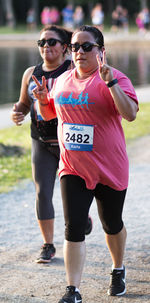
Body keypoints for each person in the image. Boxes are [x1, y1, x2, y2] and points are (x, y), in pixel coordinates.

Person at [32, 25, 138, 302]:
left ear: (101, 51)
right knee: (74, 227)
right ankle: (73, 290)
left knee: (111, 223)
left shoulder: (114, 77)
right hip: (73, 166)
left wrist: (112, 83)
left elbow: (130, 114)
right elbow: (49, 114)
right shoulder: (63, 80)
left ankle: (117, 268)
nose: (79, 51)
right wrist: (43, 101)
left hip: (109, 167)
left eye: (86, 46)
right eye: (75, 47)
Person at [11, 25, 93, 264]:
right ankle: (48, 245)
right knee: (42, 192)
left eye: (51, 42)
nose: (46, 46)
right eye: (41, 43)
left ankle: (83, 216)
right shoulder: (30, 73)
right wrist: (17, 113)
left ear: (65, 47)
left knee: (77, 191)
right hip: (41, 140)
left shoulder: (72, 69)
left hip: (70, 142)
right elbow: (23, 104)